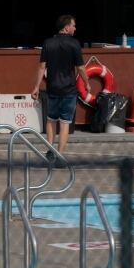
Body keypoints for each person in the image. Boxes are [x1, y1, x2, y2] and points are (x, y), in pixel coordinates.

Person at [31, 15, 90, 161]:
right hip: (69, 89)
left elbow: (41, 67)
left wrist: (36, 87)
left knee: (51, 120)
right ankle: (60, 155)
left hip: (52, 88)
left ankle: (50, 150)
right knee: (65, 123)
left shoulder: (48, 43)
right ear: (66, 27)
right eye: (74, 25)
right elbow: (81, 68)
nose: (75, 28)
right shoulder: (74, 44)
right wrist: (87, 82)